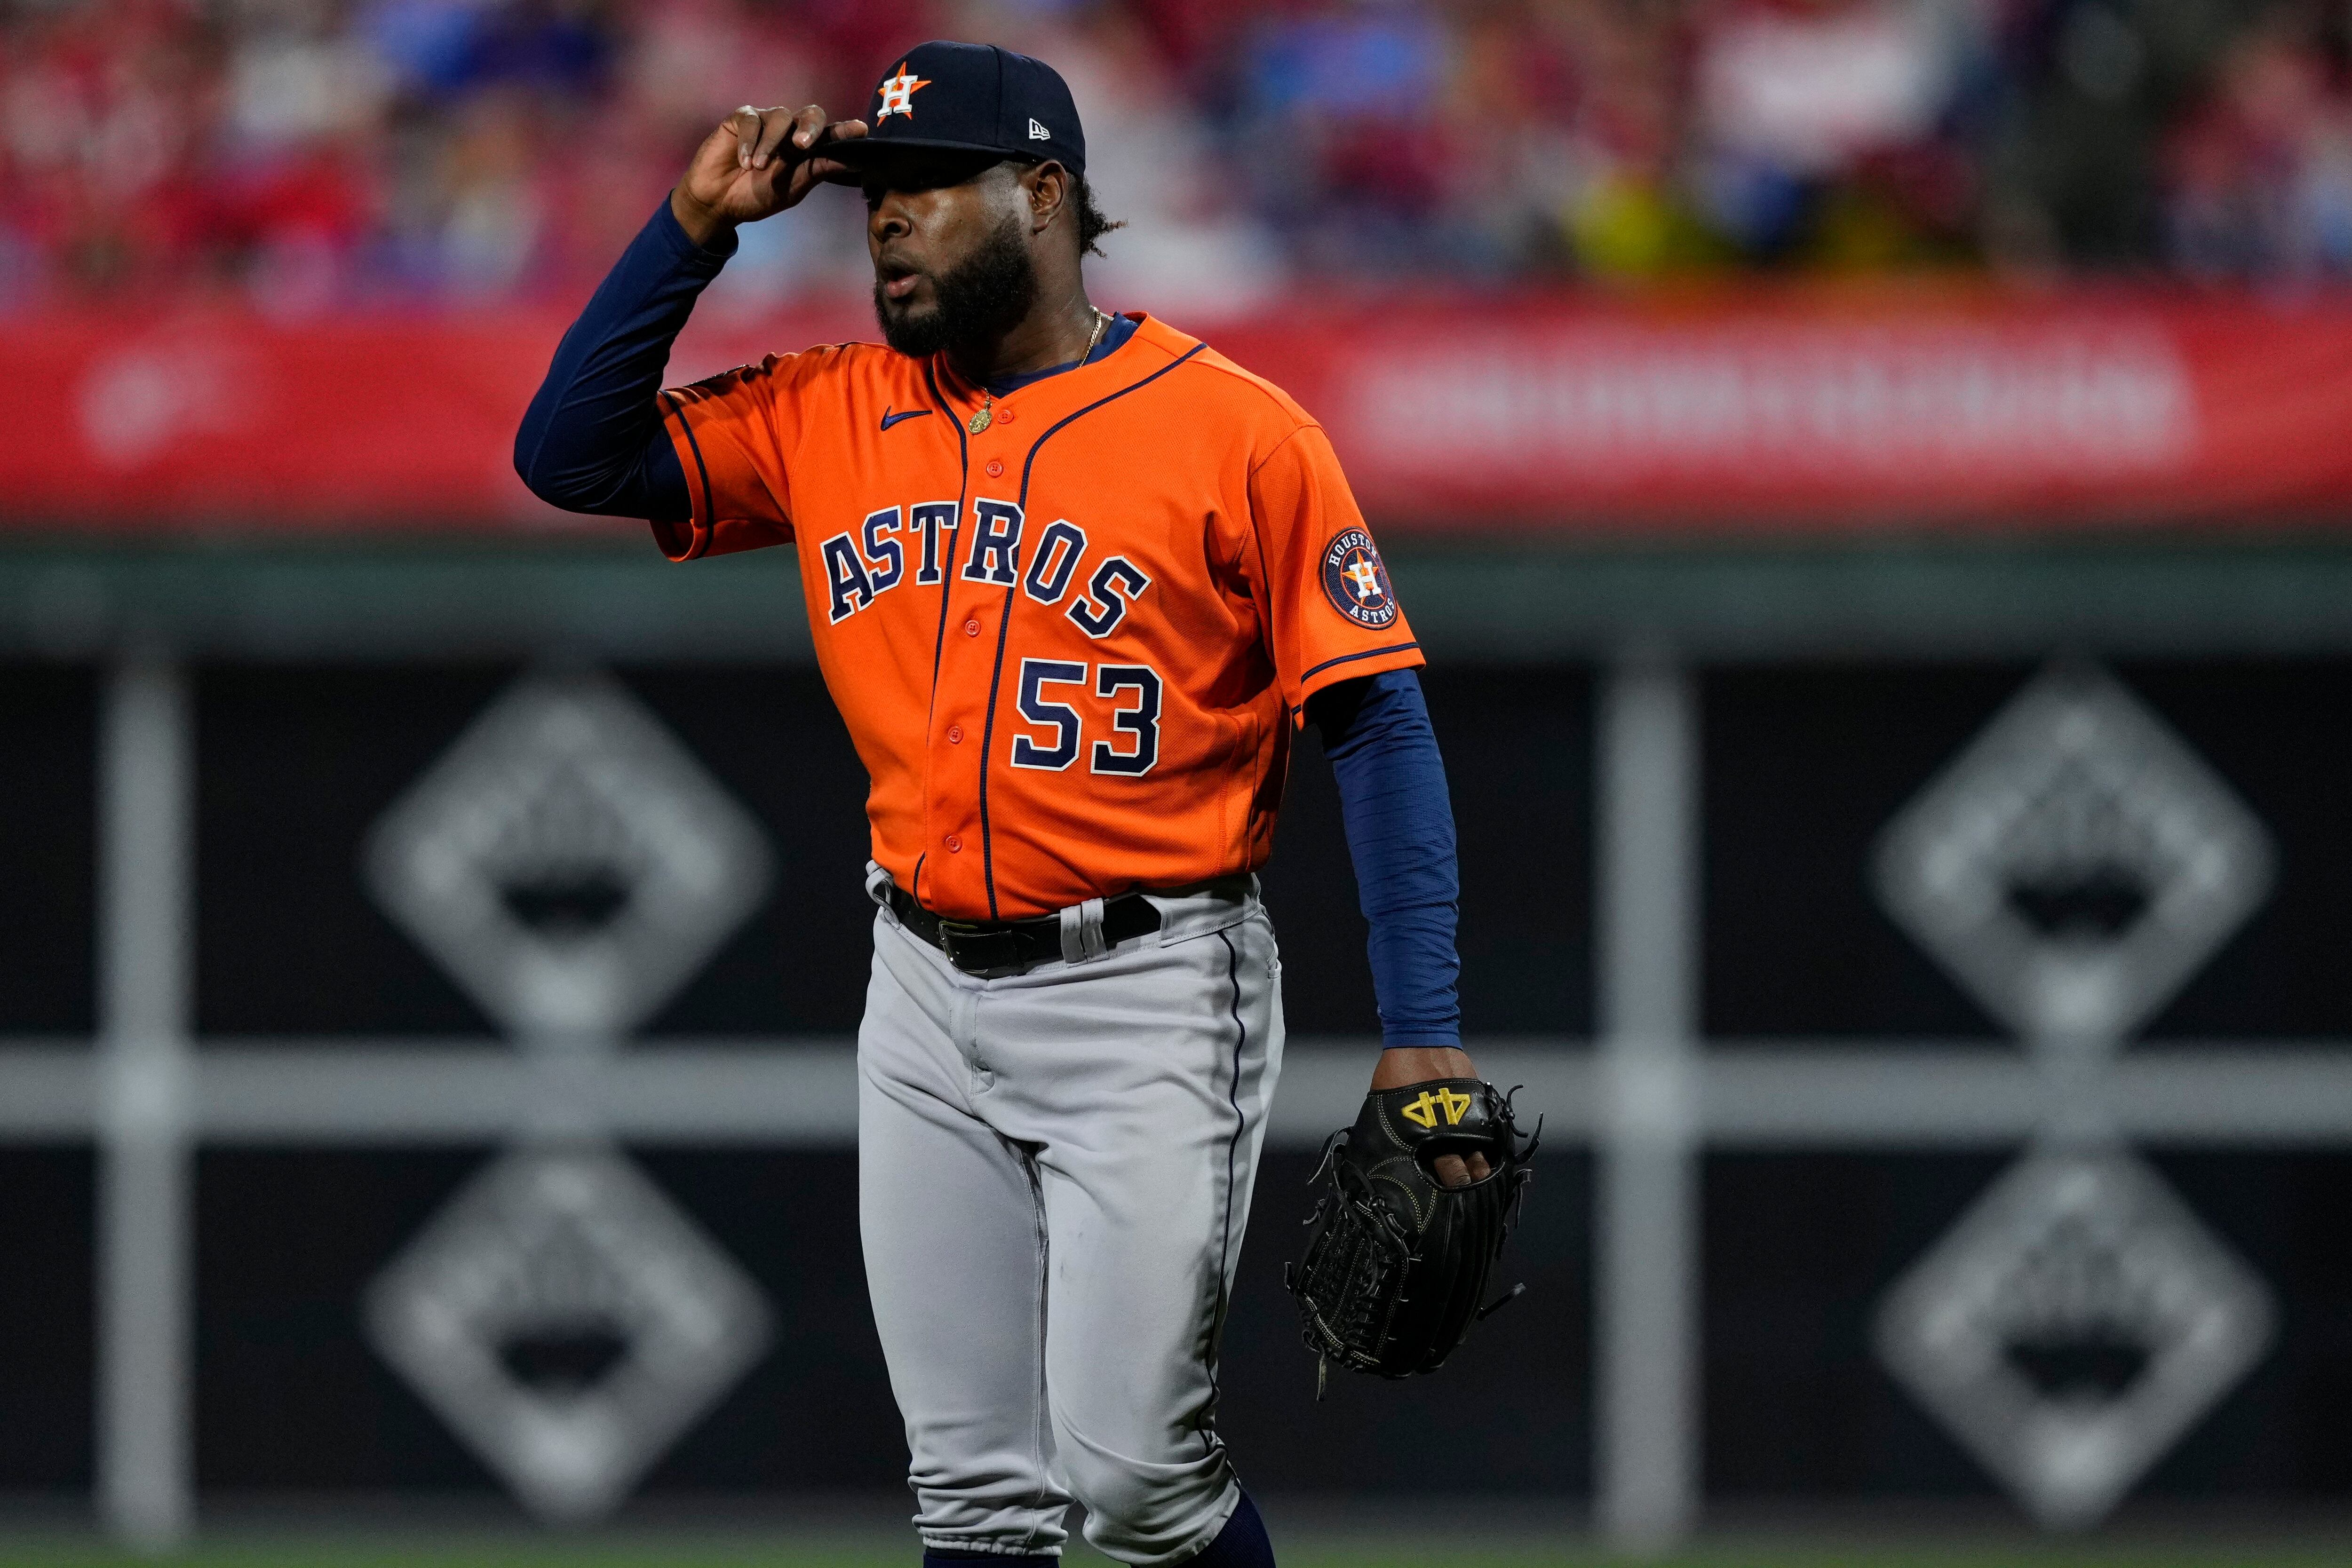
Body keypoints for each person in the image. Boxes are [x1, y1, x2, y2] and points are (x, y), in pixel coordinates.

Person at [515, 40, 1479, 1568]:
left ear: (1042, 195)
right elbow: (568, 455)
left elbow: (1377, 719)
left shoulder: (1238, 432)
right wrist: (692, 230)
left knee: (1136, 1482)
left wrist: (1421, 1027)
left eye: (922, 190)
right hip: (920, 985)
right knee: (971, 1492)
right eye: (870, 195)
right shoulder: (833, 410)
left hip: (1153, 984)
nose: (885, 223)